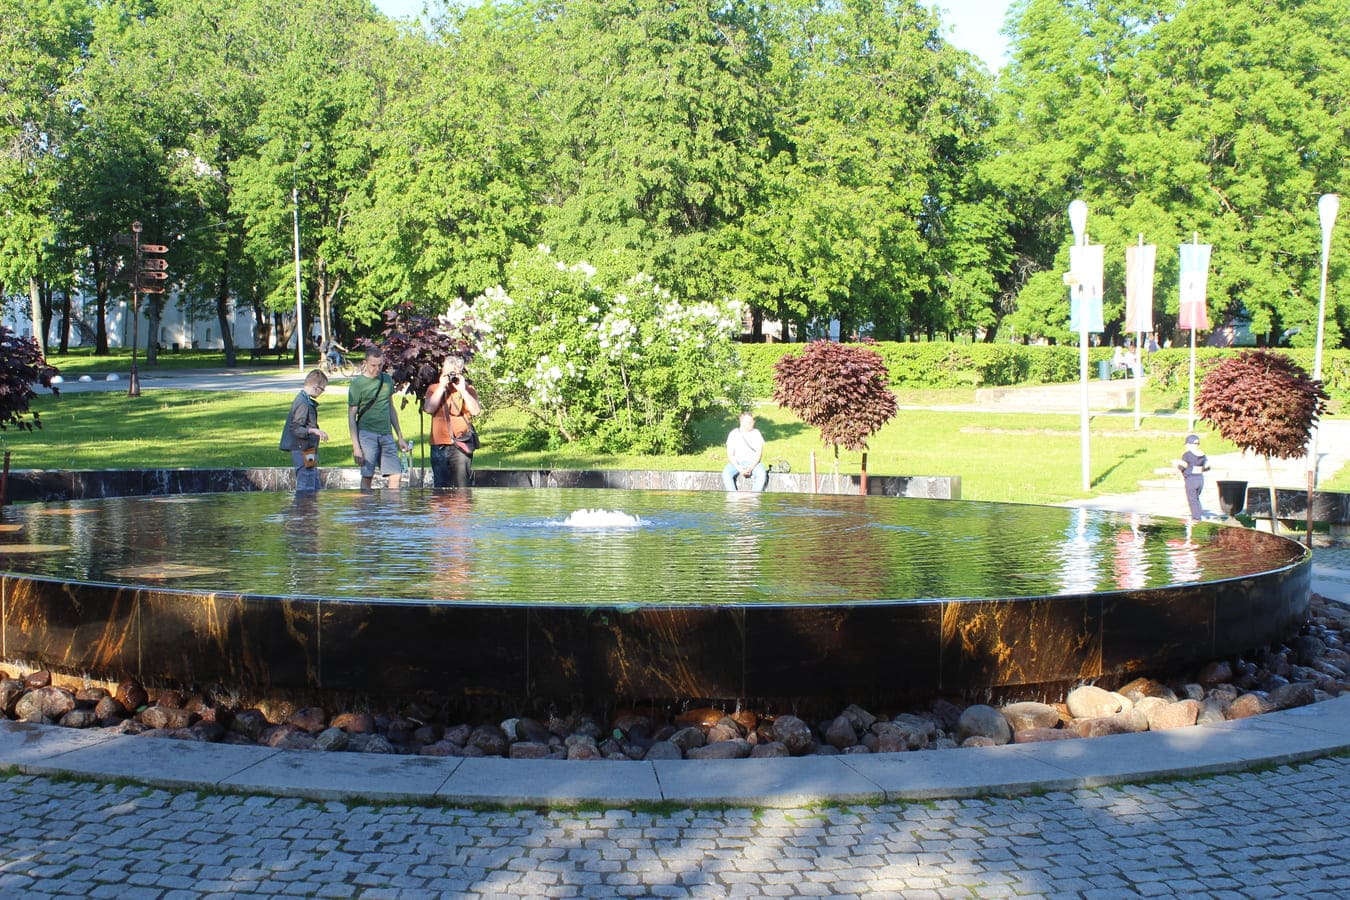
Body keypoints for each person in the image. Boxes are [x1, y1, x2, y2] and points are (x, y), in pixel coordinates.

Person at [348, 346, 411, 490]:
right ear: (365, 363)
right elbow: (351, 416)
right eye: (373, 365)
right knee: (367, 475)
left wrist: (400, 436)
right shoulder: (357, 385)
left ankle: (391, 510)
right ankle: (366, 509)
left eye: (380, 365)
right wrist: (356, 447)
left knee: (396, 474)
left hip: (386, 433)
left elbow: (391, 407)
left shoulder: (387, 380)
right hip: (366, 434)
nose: (377, 369)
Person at [422, 354, 482, 488]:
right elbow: (429, 408)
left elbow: (476, 411)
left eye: (453, 373)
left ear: (460, 373)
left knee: (462, 487)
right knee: (440, 487)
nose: (450, 377)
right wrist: (442, 387)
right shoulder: (433, 388)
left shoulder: (469, 390)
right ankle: (441, 510)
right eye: (447, 372)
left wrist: (463, 390)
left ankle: (461, 509)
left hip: (461, 444)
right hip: (439, 445)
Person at [279, 369, 329, 492]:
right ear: (315, 387)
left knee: (311, 478)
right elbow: (295, 428)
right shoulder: (303, 403)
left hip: (308, 449)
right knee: (306, 481)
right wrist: (314, 431)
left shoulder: (304, 399)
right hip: (302, 449)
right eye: (322, 389)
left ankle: (310, 507)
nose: (322, 392)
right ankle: (304, 508)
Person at [722, 411, 767, 492]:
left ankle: (754, 497)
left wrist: (751, 467)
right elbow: (730, 455)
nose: (752, 424)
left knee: (761, 473)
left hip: (753, 463)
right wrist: (740, 469)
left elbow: (759, 453)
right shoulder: (733, 434)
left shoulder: (756, 433)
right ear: (742, 422)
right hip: (737, 463)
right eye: (749, 422)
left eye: (752, 421)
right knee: (726, 473)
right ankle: (733, 496)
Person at [1176, 433, 1210, 521]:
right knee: (1196, 499)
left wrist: (1178, 467)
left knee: (1192, 500)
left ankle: (1196, 520)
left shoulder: (1187, 455)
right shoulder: (1202, 455)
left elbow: (1183, 466)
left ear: (1190, 445)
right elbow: (1207, 467)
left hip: (1191, 480)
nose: (1186, 446)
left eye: (1186, 444)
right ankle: (1199, 514)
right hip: (1200, 480)